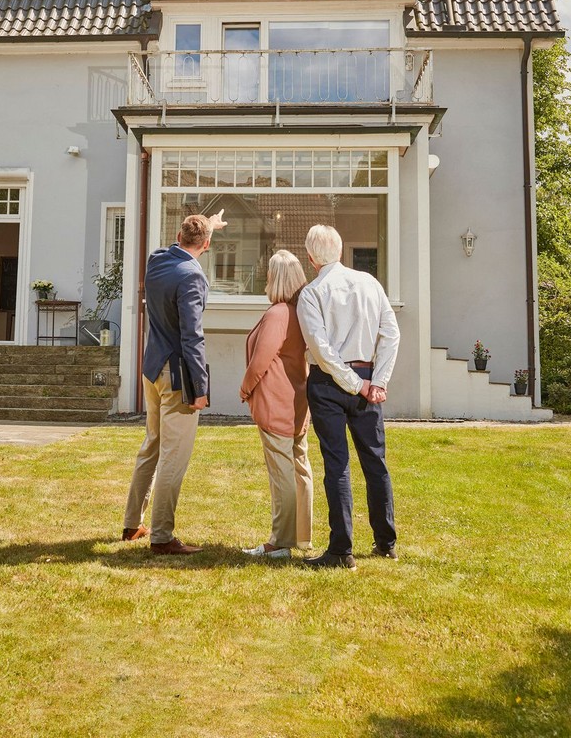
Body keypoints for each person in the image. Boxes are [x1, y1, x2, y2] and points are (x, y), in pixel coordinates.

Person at [295, 224, 400, 571]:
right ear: (339, 251)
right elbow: (391, 333)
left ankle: (342, 550)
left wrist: (360, 384)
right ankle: (386, 543)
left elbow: (321, 352)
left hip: (330, 383)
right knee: (375, 461)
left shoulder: (311, 294)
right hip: (367, 378)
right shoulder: (370, 283)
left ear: (311, 258)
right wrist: (376, 381)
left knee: (337, 464)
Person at [122, 210, 226, 555]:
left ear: (179, 237)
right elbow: (192, 337)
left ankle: (132, 523)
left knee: (151, 445)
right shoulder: (192, 277)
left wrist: (207, 223)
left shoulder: (157, 261)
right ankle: (162, 536)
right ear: (206, 245)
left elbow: (179, 245)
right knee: (172, 456)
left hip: (152, 369)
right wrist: (201, 389)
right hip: (177, 375)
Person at [238, 249, 313, 559]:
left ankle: (280, 542)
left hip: (276, 403)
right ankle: (302, 538)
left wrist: (245, 389)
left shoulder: (278, 314)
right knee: (300, 470)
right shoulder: (300, 313)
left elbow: (260, 361)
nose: (265, 277)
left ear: (277, 279)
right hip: (297, 402)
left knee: (282, 473)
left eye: (268, 273)